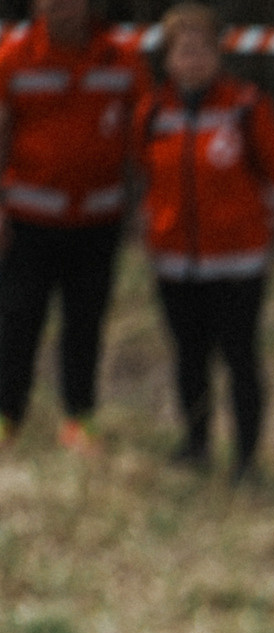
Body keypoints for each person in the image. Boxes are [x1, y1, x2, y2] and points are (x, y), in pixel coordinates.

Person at [137, 4, 274, 479]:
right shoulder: (152, 112)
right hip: (176, 262)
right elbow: (145, 176)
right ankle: (196, 444)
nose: (192, 58)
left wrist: (260, 229)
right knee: (189, 359)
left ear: (216, 53)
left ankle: (247, 458)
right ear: (168, 59)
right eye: (182, 50)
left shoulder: (245, 105)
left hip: (238, 262)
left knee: (240, 359)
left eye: (201, 48)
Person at [0, 0, 148, 455]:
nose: (65, 7)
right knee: (17, 323)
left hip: (98, 221)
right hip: (29, 220)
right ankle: (7, 418)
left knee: (85, 325)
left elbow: (143, 136)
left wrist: (146, 206)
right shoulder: (13, 56)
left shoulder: (122, 57)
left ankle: (79, 420)